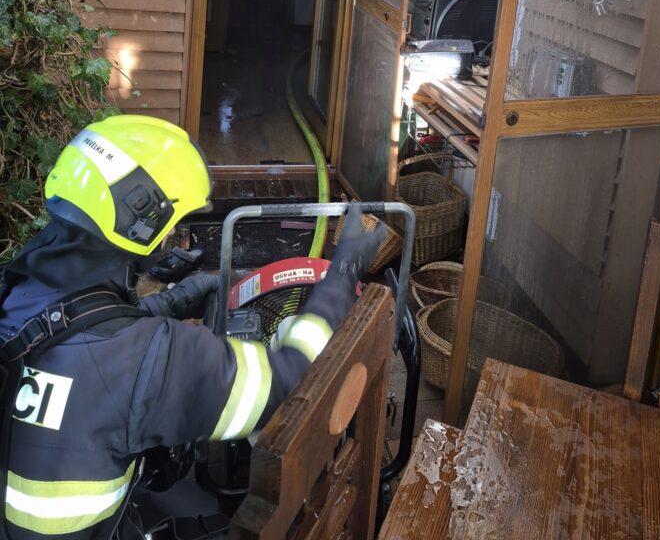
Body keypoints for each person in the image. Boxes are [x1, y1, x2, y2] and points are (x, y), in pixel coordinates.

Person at [0, 115, 385, 539]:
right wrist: (342, 273)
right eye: (172, 227)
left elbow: (81, 338)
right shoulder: (152, 360)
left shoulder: (17, 288)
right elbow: (291, 386)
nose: (173, 237)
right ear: (140, 221)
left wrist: (171, 302)